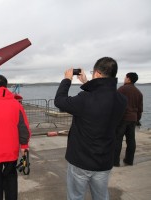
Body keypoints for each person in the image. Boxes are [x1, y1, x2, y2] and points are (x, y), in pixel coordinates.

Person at [54, 57, 127, 200]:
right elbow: (101, 97)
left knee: (76, 196)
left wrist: (67, 79)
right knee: (101, 197)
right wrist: (87, 83)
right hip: (104, 160)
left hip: (81, 160)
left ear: (98, 74)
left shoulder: (85, 98)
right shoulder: (122, 99)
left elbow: (59, 101)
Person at [114, 72, 143, 167]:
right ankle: (129, 160)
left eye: (125, 77)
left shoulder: (122, 89)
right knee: (131, 141)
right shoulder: (138, 92)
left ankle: (115, 162)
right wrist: (137, 119)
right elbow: (140, 109)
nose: (124, 79)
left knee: (117, 140)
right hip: (133, 119)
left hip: (122, 119)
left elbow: (115, 104)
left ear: (129, 79)